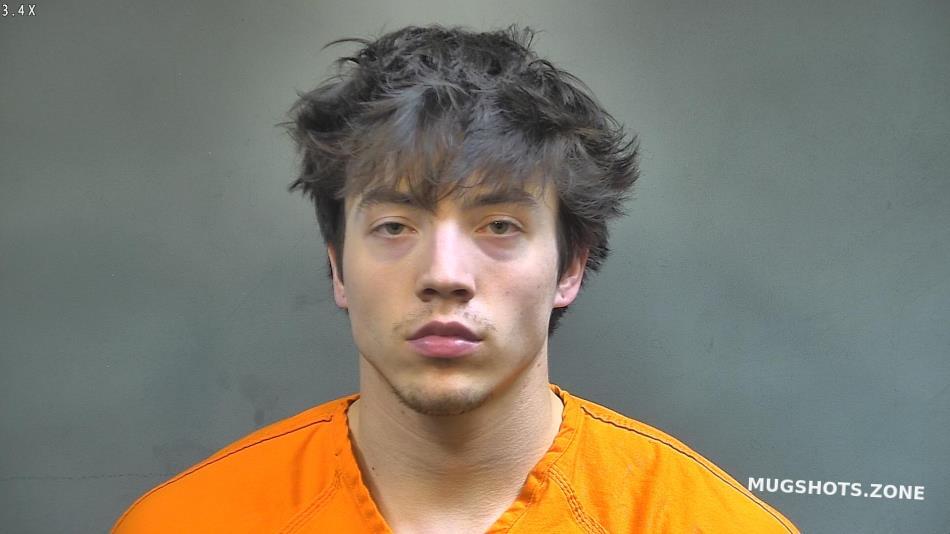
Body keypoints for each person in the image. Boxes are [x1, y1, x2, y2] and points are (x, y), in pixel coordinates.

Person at [113, 25, 798, 533]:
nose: (444, 275)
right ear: (338, 267)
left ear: (570, 266)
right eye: (394, 226)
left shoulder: (710, 524)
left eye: (499, 225)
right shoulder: (183, 523)